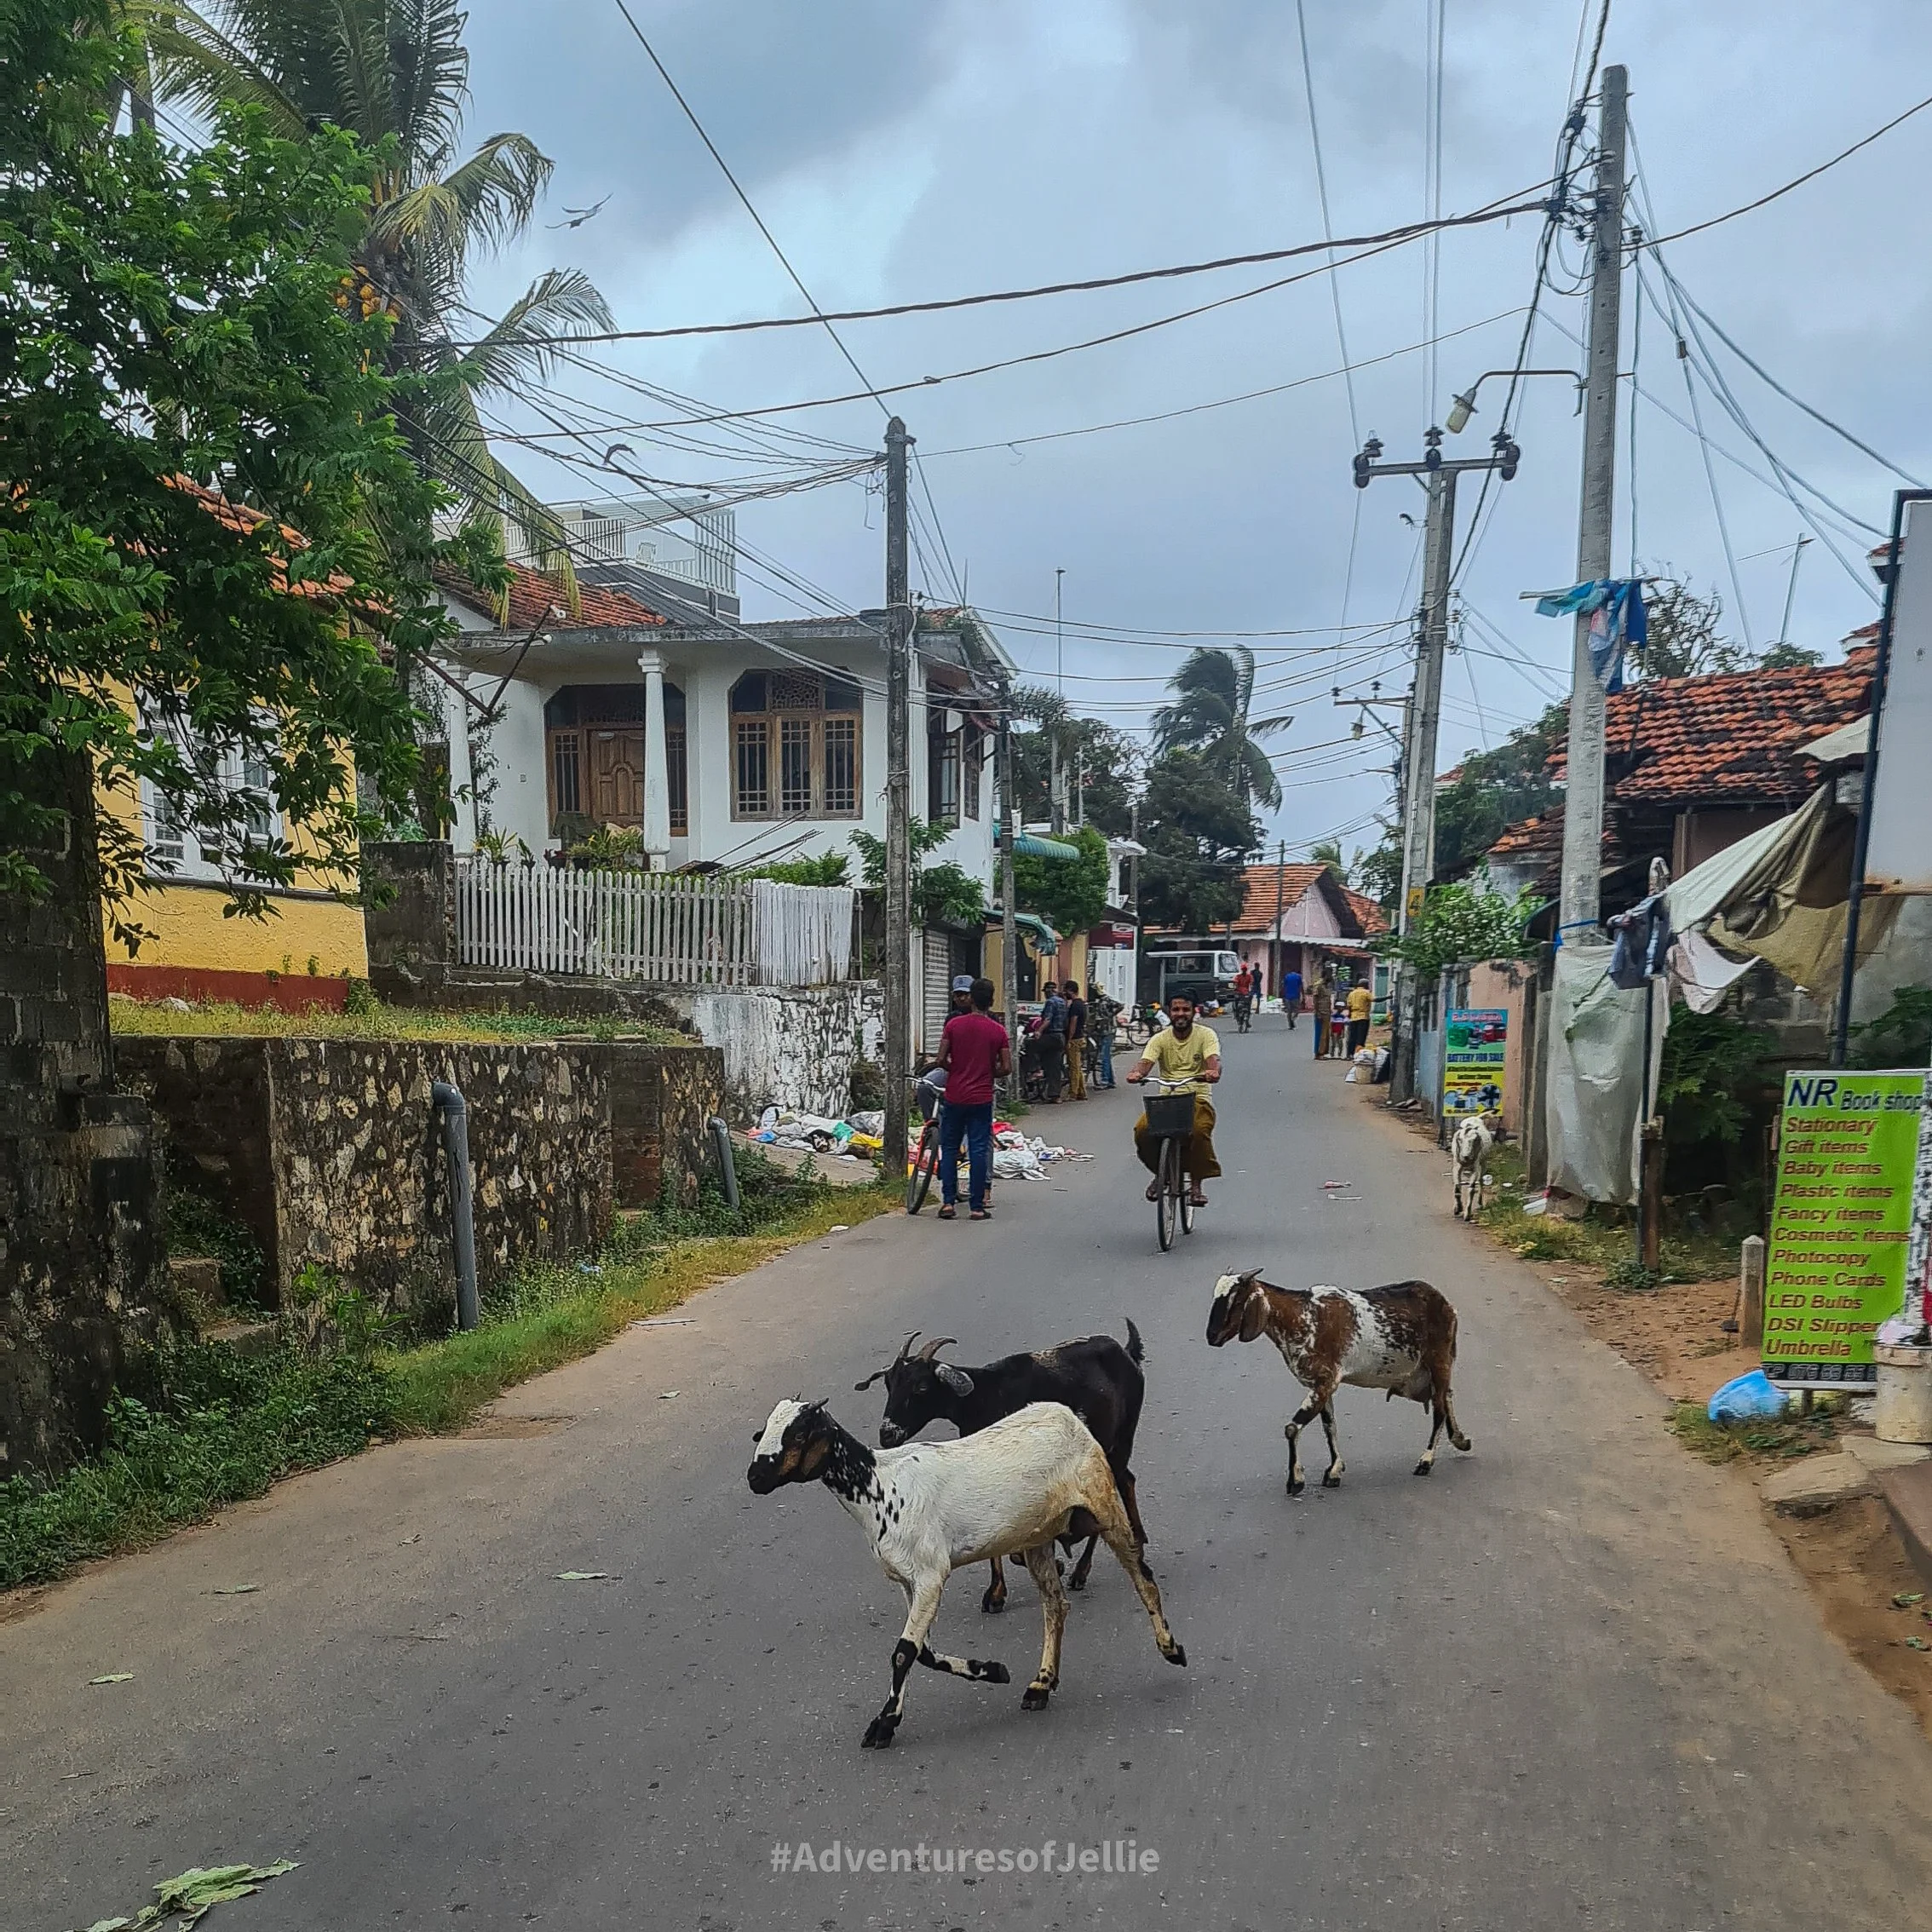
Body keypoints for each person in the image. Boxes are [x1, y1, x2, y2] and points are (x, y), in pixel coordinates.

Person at [1126, 991, 1222, 1208]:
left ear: (1193, 1011)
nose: (1181, 1014)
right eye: (1176, 1009)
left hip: (1197, 1098)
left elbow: (1213, 1059)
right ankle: (1163, 1175)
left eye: (1186, 1009)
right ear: (1169, 1012)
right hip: (1166, 1100)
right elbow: (1145, 1062)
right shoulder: (1159, 1039)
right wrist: (1137, 1073)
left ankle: (1196, 1186)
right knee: (1142, 1131)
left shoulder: (1206, 1035)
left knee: (1198, 1131)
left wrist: (1213, 1071)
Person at [934, 977, 1010, 1220]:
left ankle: (948, 1203)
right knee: (978, 1149)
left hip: (955, 1095)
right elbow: (1007, 1067)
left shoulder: (954, 1025)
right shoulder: (998, 1031)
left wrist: (954, 1069)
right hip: (981, 1097)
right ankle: (977, 1207)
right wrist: (989, 1072)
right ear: (991, 1000)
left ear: (971, 998)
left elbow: (940, 1059)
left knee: (948, 1148)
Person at [1035, 980, 1068, 1101]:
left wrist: (1039, 1031)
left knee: (1030, 1045)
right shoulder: (1062, 1002)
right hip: (1060, 1037)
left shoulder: (1050, 1002)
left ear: (1048, 992)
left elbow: (1048, 1019)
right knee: (1055, 1066)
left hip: (1051, 1035)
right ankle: (1055, 1095)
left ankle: (1035, 1069)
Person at [1064, 980, 1089, 1100]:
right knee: (1078, 1067)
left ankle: (1073, 1093)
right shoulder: (1082, 1004)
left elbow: (1073, 1023)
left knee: (1073, 1067)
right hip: (1081, 1037)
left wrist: (1069, 1039)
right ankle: (1082, 1092)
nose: (1065, 993)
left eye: (1066, 990)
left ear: (1070, 991)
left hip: (1074, 1039)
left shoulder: (1075, 1006)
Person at [1091, 985, 1118, 1089]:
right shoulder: (1098, 1002)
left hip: (1108, 1031)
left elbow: (1120, 1005)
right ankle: (1110, 1080)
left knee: (1104, 1056)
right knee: (1106, 1055)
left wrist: (1110, 1016)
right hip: (1102, 1031)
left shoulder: (1106, 1000)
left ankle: (1105, 1080)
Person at [1345, 977, 1373, 1058]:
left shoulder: (1352, 993)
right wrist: (1387, 998)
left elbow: (1349, 1006)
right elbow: (1374, 999)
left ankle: (1349, 1054)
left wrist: (1350, 1014)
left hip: (1353, 1017)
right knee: (1361, 1037)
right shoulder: (1366, 992)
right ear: (1365, 985)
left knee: (1352, 1036)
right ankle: (1358, 1054)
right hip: (1363, 1017)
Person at [1311, 972, 1334, 1058]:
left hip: (1327, 1012)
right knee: (1321, 1034)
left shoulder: (1326, 986)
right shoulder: (1319, 985)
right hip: (1321, 1012)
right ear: (1325, 976)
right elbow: (1316, 1000)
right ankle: (1319, 1053)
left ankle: (1323, 1052)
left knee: (1326, 1034)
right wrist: (1317, 1012)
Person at [1232, 963, 1254, 1032]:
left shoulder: (1242, 976)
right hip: (1244, 994)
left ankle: (1238, 1017)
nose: (1244, 970)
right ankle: (1244, 1020)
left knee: (1236, 1007)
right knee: (1244, 1007)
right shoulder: (1240, 977)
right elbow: (1251, 985)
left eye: (1245, 969)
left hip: (1243, 994)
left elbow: (1251, 985)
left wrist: (1235, 990)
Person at [1282, 964, 1303, 1031]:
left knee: (1289, 1011)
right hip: (1295, 996)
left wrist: (1283, 996)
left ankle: (1290, 1024)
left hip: (1287, 996)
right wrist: (1303, 994)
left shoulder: (1287, 976)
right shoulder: (1298, 977)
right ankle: (1293, 1019)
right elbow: (1301, 986)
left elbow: (1283, 986)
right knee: (1297, 1010)